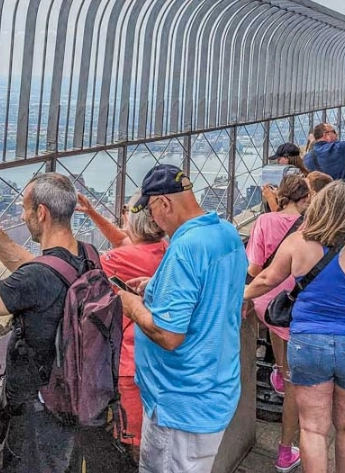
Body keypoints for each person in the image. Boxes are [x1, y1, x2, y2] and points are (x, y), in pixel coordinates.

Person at [0, 172, 105, 472]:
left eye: (26, 209)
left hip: (38, 419)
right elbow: (39, 267)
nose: (23, 216)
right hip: (77, 403)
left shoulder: (36, 279)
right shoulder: (88, 256)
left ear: (42, 213)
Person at [115, 164, 248, 473]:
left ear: (164, 203)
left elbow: (169, 335)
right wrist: (157, 286)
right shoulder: (225, 232)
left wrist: (131, 305)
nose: (153, 220)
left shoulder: (186, 247)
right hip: (215, 386)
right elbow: (215, 289)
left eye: (151, 210)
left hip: (180, 404)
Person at [245, 181, 345, 473]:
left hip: (307, 342)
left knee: (313, 429)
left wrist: (238, 295)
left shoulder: (298, 242)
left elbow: (265, 280)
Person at [87, 193, 167, 461]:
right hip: (158, 356)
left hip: (130, 362)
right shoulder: (163, 248)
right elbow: (125, 240)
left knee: (136, 443)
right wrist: (92, 212)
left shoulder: (115, 260)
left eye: (126, 211)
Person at [246, 174, 311, 472]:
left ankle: (279, 371)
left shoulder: (264, 221)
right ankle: (285, 451)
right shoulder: (311, 226)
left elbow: (254, 268)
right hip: (295, 305)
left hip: (266, 303)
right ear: (305, 199)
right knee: (295, 386)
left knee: (275, 327)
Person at [262, 143, 308, 212]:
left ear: (287, 158)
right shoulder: (305, 175)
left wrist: (270, 198)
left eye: (279, 159)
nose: (278, 162)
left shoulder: (299, 183)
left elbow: (282, 214)